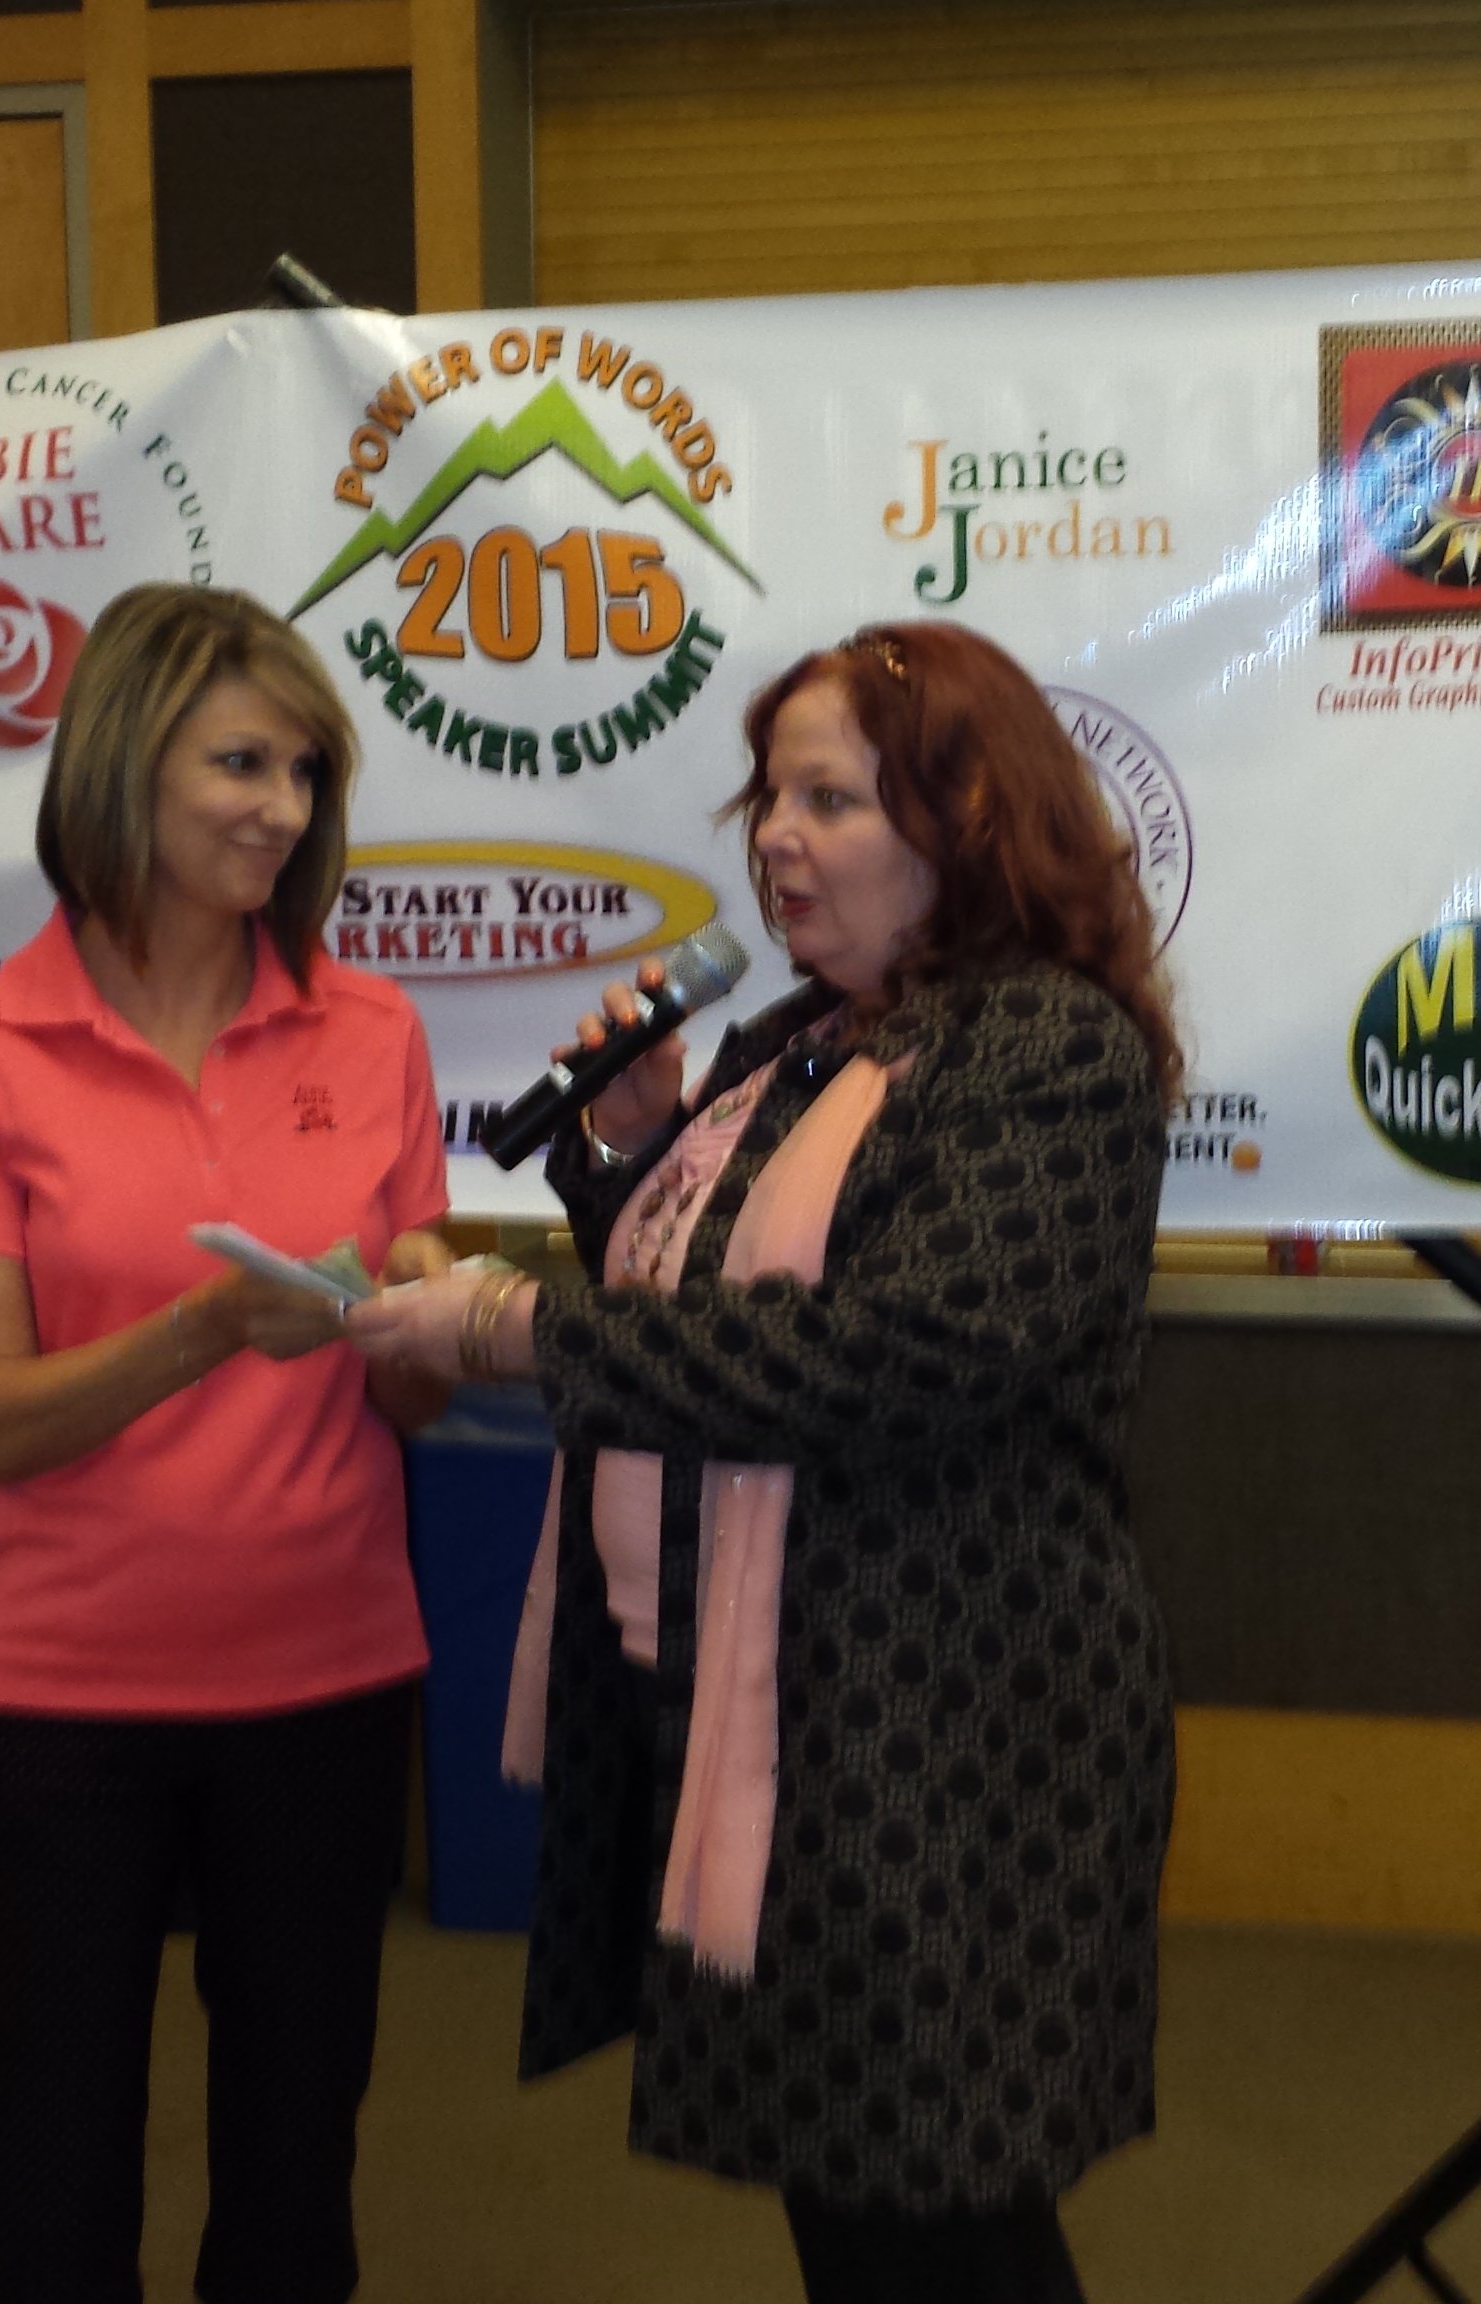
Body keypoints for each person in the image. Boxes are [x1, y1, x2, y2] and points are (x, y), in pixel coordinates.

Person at [347, 620, 1183, 2303]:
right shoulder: (804, 1038)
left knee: (938, 2205)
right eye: (769, 801)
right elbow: (694, 1283)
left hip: (943, 1735)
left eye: (829, 801)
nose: (776, 840)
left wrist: (515, 1329)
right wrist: (627, 1147)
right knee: (852, 2191)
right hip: (771, 1704)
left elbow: (888, 1357)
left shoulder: (1046, 1052)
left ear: (967, 820)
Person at [0, 582, 455, 2304]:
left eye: (304, 772)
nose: (280, 810)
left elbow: (413, 1404)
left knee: (294, 2188)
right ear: (122, 764)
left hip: (328, 1678)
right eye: (240, 763)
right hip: (68, 1699)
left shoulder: (374, 1032)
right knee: (54, 2188)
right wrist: (202, 1332)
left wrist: (422, 1317)